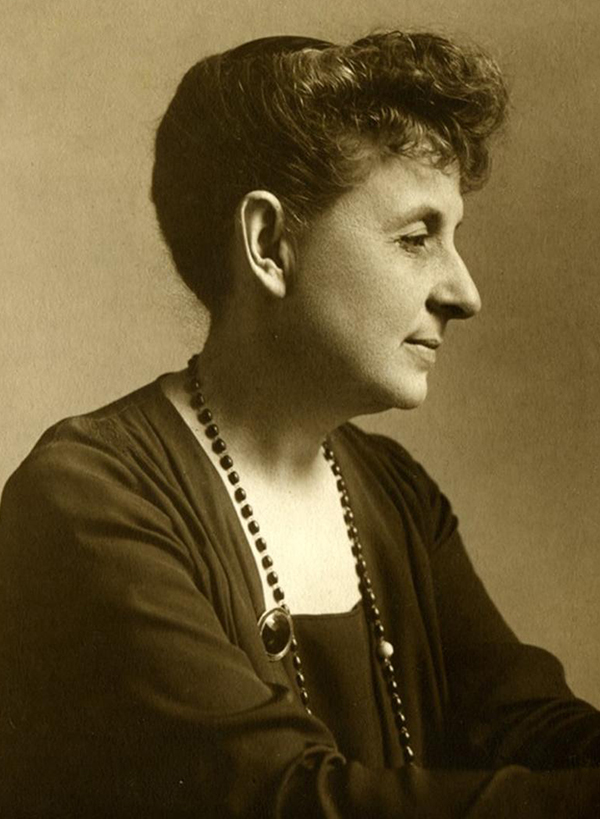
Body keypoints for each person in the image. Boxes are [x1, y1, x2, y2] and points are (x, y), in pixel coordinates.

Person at [0, 30, 599, 818]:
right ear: (269, 244)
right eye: (417, 238)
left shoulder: (397, 495)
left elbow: (529, 721)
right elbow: (285, 800)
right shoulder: (86, 498)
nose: (464, 292)